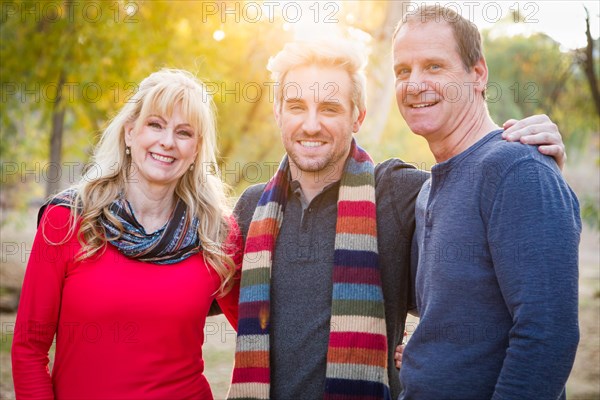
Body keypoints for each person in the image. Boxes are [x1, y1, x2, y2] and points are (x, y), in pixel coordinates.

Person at [225, 39, 567, 400]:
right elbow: (181, 289)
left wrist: (534, 165)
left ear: (358, 116)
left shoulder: (399, 192)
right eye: (296, 107)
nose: (311, 125)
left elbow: (490, 209)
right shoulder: (251, 208)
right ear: (277, 112)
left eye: (329, 108)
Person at [11, 69, 242, 399]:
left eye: (184, 132)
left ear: (196, 150)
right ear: (130, 133)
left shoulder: (215, 233)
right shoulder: (68, 220)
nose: (167, 142)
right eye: (155, 124)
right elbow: (28, 350)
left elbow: (259, 336)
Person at [392, 5, 581, 399]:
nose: (414, 84)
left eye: (434, 66)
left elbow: (547, 333)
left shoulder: (517, 169)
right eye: (402, 70)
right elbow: (459, 306)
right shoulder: (430, 189)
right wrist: (427, 353)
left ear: (477, 75)